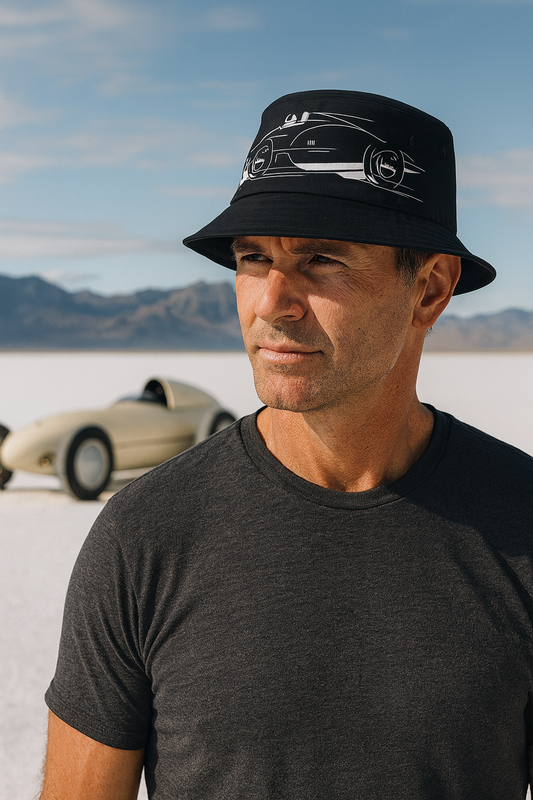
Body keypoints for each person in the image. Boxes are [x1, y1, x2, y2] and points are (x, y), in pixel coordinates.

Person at [40, 91, 533, 800]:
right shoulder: (144, 538)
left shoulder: (520, 524)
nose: (271, 300)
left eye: (321, 259)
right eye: (252, 258)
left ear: (427, 290)